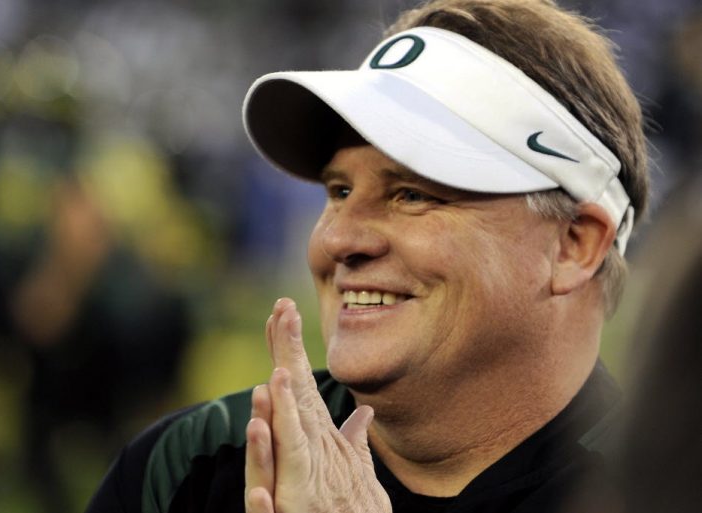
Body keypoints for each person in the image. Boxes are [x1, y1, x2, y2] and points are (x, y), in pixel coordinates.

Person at [85, 0, 649, 512]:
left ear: (574, 245)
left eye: (412, 195)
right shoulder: (189, 466)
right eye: (338, 191)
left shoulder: (662, 486)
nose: (337, 240)